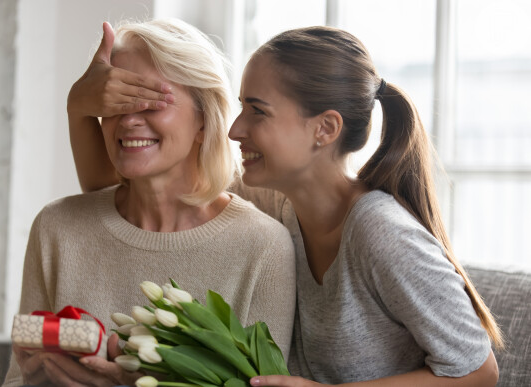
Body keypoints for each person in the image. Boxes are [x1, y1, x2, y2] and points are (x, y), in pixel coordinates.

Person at [67, 23, 504, 386]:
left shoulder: (381, 233)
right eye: (240, 108)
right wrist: (79, 106)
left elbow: (479, 371)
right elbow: (114, 190)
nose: (235, 129)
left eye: (257, 111)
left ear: (325, 129)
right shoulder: (280, 204)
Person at [3, 19, 296, 387]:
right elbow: (16, 379)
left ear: (204, 122)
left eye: (151, 102)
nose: (128, 119)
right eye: (114, 103)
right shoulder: (57, 228)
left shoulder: (263, 248)